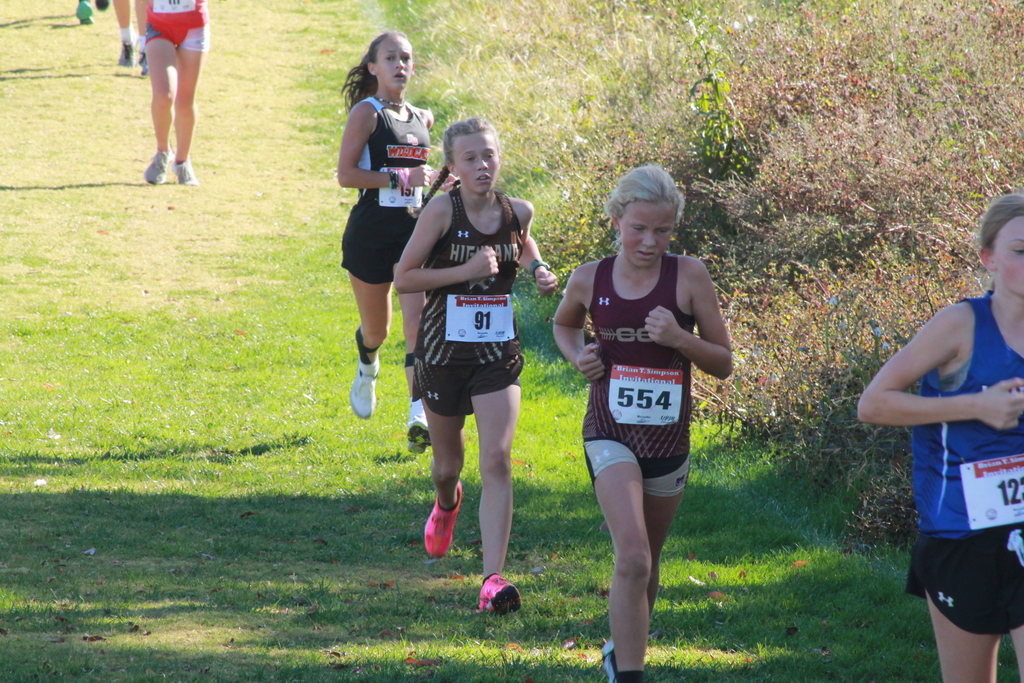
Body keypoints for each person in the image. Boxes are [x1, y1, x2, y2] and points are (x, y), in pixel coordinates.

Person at [552, 165, 732, 683]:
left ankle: (621, 651)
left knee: (646, 562)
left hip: (668, 437)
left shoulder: (690, 276)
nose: (650, 242)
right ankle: (630, 676)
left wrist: (681, 339)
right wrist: (578, 356)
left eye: (662, 230)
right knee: (631, 555)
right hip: (608, 430)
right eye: (638, 229)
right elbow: (565, 324)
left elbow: (723, 362)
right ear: (615, 220)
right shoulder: (590, 277)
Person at [858, 193, 1024, 683]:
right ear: (988, 258)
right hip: (960, 531)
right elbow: (873, 403)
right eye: (1021, 250)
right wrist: (975, 405)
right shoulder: (960, 324)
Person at [394, 118, 557, 614]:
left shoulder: (518, 210)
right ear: (453, 167)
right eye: (471, 159)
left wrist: (537, 267)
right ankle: (447, 502)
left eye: (488, 156)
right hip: (442, 354)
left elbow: (522, 238)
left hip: (496, 355)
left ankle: (492, 580)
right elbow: (403, 278)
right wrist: (464, 271)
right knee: (449, 466)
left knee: (498, 460)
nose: (482, 166)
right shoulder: (442, 211)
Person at [336, 31, 438, 453]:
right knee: (378, 330)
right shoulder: (367, 113)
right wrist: (401, 178)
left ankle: (419, 414)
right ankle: (367, 364)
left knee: (418, 324)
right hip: (370, 234)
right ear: (373, 67)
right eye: (390, 57)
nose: (400, 64)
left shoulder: (423, 118)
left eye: (406, 58)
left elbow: (420, 180)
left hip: (413, 235)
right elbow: (346, 176)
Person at [141, 0, 210, 186]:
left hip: (194, 26)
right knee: (164, 95)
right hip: (159, 25)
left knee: (185, 102)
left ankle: (182, 162)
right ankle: (162, 152)